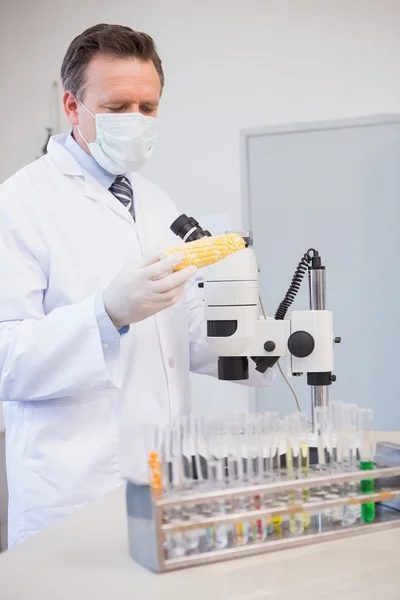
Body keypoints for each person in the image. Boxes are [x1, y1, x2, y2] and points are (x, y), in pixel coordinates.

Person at [0, 23, 275, 548]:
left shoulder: (155, 201)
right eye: (118, 106)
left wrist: (260, 342)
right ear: (72, 106)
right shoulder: (19, 205)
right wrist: (105, 315)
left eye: (147, 108)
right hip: (75, 489)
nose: (136, 121)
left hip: (166, 475)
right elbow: (5, 359)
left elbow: (184, 336)